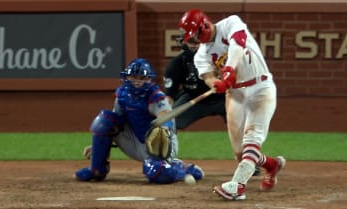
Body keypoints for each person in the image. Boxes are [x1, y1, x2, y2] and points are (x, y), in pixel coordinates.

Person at [178, 9, 286, 200]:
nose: (191, 40)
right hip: (235, 95)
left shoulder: (230, 23)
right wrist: (216, 84)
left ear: (203, 26)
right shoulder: (200, 55)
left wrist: (229, 69)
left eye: (192, 35)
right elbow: (208, 77)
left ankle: (237, 187)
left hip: (260, 87)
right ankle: (271, 164)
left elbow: (238, 44)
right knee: (240, 151)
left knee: (252, 138)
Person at [74, 58, 204, 184]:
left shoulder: (156, 97)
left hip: (159, 145)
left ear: (149, 79)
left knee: (155, 172)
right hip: (134, 138)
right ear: (127, 77)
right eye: (134, 77)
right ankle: (96, 170)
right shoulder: (122, 96)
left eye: (142, 78)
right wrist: (100, 147)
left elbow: (166, 120)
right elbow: (115, 125)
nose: (137, 82)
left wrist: (163, 126)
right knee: (104, 120)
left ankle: (184, 169)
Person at [163, 36, 261, 176]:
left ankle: (249, 161)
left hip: (225, 97)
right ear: (184, 43)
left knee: (242, 124)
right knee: (169, 124)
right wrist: (166, 114)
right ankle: (166, 161)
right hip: (194, 98)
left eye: (198, 42)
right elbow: (169, 96)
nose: (194, 46)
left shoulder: (221, 56)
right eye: (191, 42)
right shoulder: (178, 63)